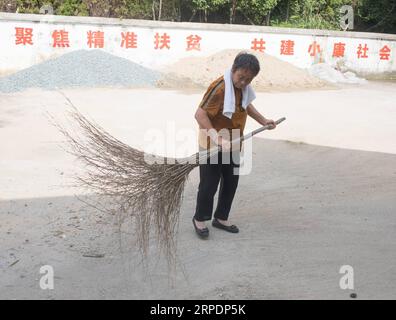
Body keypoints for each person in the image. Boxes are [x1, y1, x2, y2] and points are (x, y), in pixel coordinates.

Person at [193, 51, 277, 239]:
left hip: (234, 143)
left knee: (231, 182)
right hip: (212, 144)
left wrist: (264, 121)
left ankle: (221, 218)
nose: (243, 83)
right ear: (233, 70)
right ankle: (199, 218)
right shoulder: (219, 88)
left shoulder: (244, 89)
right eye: (241, 78)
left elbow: (246, 106)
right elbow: (199, 114)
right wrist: (217, 139)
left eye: (248, 80)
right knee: (209, 184)